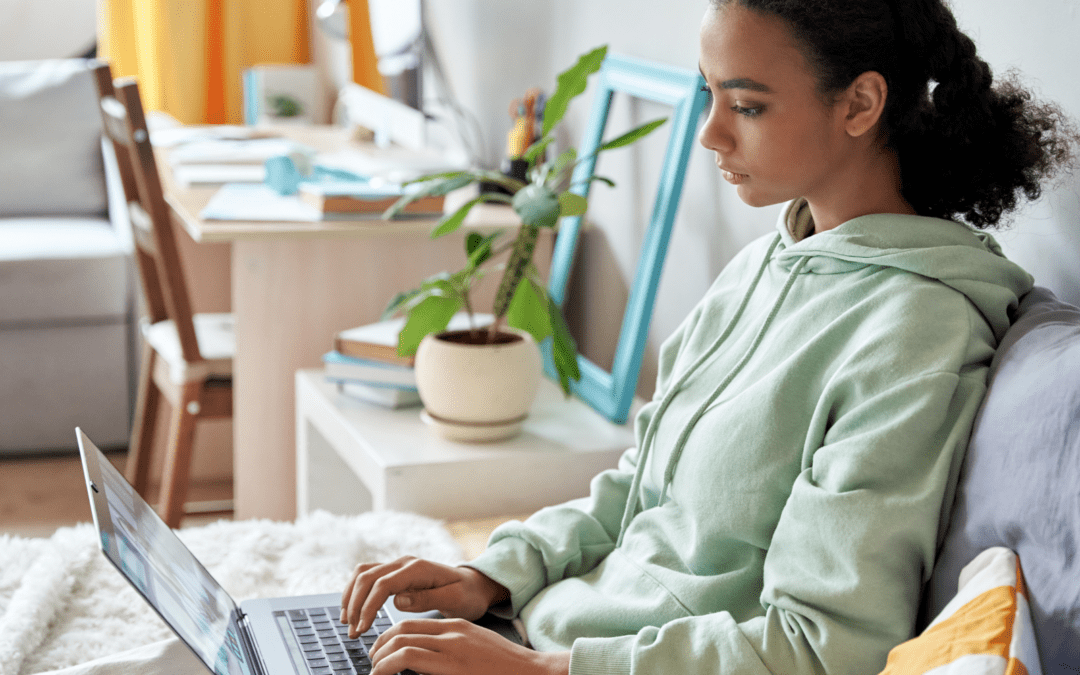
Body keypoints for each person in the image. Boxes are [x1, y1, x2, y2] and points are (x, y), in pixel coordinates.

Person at [340, 1, 1076, 674]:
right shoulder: (766, 262)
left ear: (860, 103)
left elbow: (825, 644)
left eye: (747, 104)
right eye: (710, 93)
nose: (709, 133)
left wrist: (541, 670)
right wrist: (492, 574)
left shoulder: (915, 329)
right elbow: (642, 489)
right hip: (544, 632)